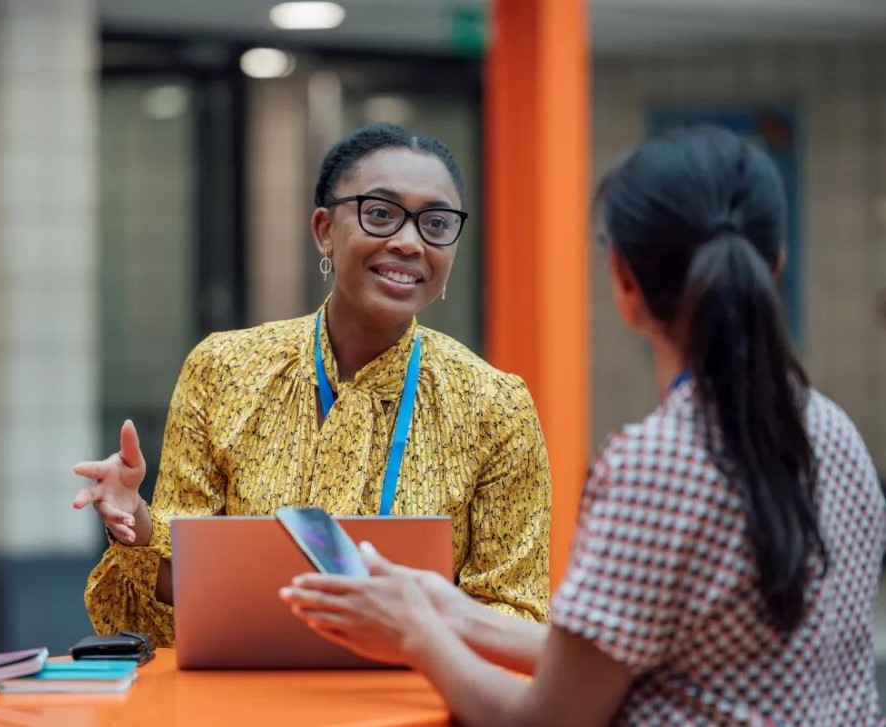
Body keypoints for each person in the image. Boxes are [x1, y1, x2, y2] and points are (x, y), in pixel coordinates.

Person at [281, 127, 886, 726]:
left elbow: (548, 717)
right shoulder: (833, 431)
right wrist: (447, 611)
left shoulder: (654, 463)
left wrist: (415, 634)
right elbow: (620, 655)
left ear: (623, 282)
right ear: (775, 266)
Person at [73, 122, 552, 647]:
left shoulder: (494, 406)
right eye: (381, 213)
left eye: (436, 223)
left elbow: (516, 611)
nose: (409, 242)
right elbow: (179, 600)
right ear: (325, 229)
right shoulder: (224, 370)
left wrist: (417, 627)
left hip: (412, 702)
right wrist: (138, 524)